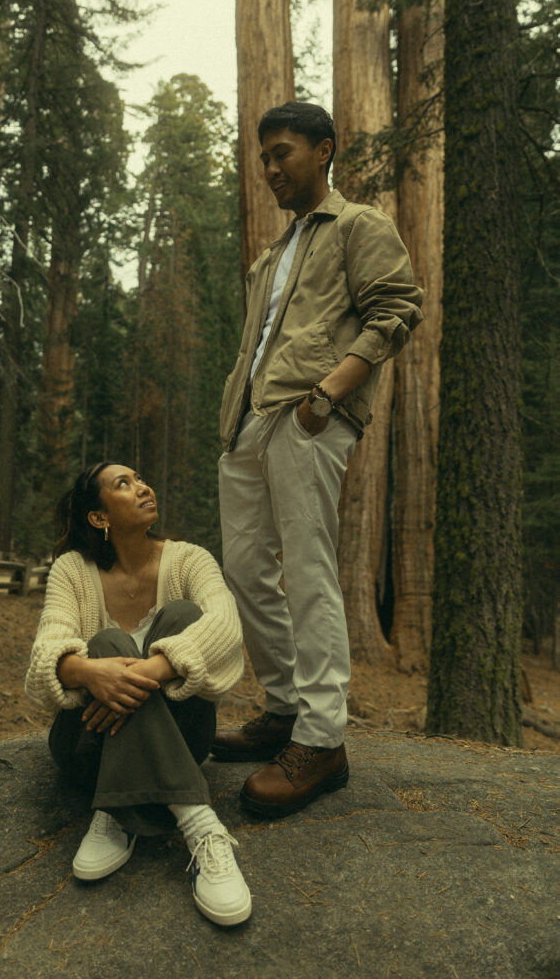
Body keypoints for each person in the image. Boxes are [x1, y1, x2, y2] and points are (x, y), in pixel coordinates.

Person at [213, 101, 423, 818]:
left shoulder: (358, 225)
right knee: (244, 571)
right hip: (247, 424)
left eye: (283, 154)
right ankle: (281, 708)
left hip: (308, 417)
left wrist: (327, 396)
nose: (270, 168)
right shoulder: (269, 256)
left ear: (323, 151)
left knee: (307, 573)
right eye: (263, 157)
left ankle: (322, 739)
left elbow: (395, 308)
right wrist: (236, 415)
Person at [25, 461, 251, 927]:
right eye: (123, 484)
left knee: (185, 613)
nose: (143, 487)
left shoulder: (188, 559)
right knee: (104, 647)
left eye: (141, 479)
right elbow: (44, 655)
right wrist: (87, 673)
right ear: (98, 517)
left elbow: (227, 626)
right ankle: (191, 818)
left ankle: (122, 808)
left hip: (185, 736)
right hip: (87, 746)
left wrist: (153, 668)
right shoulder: (72, 569)